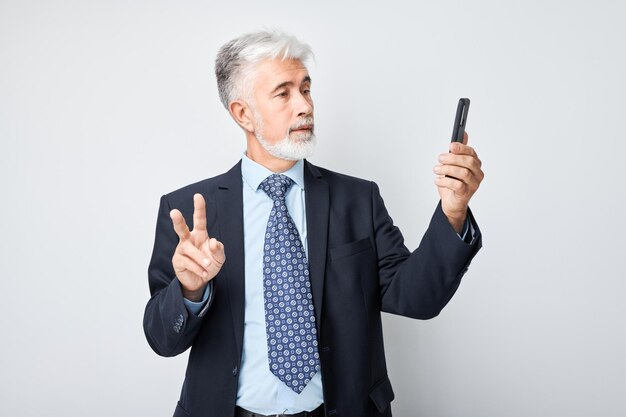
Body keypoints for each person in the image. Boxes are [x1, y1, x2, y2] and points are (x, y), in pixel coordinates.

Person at [143, 30, 484, 417]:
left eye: (306, 90)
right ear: (243, 113)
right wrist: (189, 291)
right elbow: (161, 338)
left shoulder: (358, 200)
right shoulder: (188, 211)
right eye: (283, 93)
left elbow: (416, 298)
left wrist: (453, 212)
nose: (304, 106)